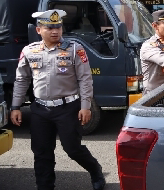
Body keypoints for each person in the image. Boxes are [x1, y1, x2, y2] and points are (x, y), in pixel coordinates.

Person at [10, 10, 105, 190]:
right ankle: (45, 186)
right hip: (40, 109)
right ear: (39, 30)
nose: (55, 31)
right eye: (49, 27)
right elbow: (22, 79)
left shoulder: (75, 49)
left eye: (58, 27)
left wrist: (85, 106)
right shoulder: (29, 51)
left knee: (73, 149)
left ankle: (95, 170)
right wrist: (16, 106)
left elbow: (85, 79)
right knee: (41, 152)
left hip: (68, 108)